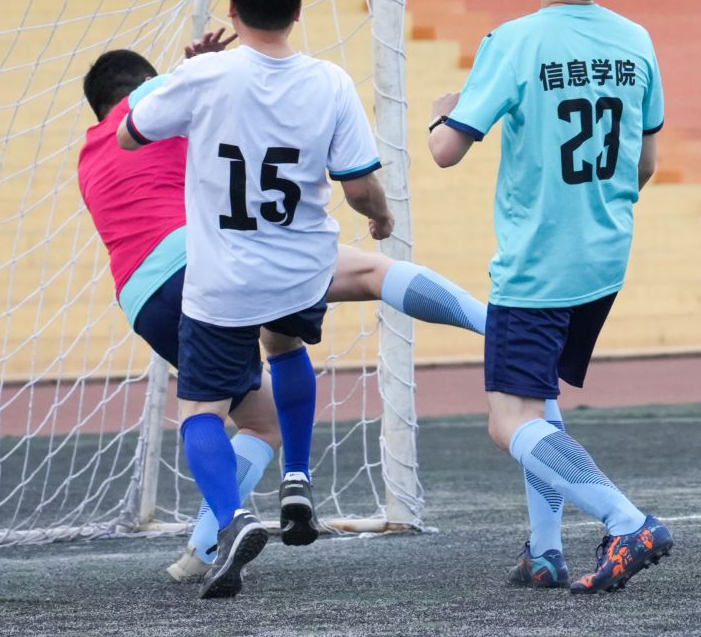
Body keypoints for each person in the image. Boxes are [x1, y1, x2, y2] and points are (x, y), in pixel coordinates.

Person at [77, 32, 489, 584]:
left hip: (143, 298)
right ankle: (496, 326)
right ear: (144, 82)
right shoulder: (168, 92)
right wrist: (203, 68)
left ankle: (209, 544)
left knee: (255, 420)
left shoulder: (90, 151)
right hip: (212, 259)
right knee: (367, 274)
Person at [119, 0, 395, 598]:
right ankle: (297, 476)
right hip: (300, 268)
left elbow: (131, 133)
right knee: (285, 343)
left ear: (232, 9)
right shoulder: (330, 81)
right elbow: (360, 187)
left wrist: (188, 73)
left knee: (201, 409)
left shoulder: (206, 75)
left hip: (224, 280)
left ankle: (234, 517)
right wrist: (381, 218)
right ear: (298, 10)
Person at [427, 0, 672, 594]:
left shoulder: (514, 39)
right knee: (538, 398)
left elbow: (446, 151)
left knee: (509, 420)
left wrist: (445, 110)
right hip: (604, 254)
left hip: (538, 262)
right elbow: (647, 162)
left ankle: (628, 521)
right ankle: (545, 550)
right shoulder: (637, 40)